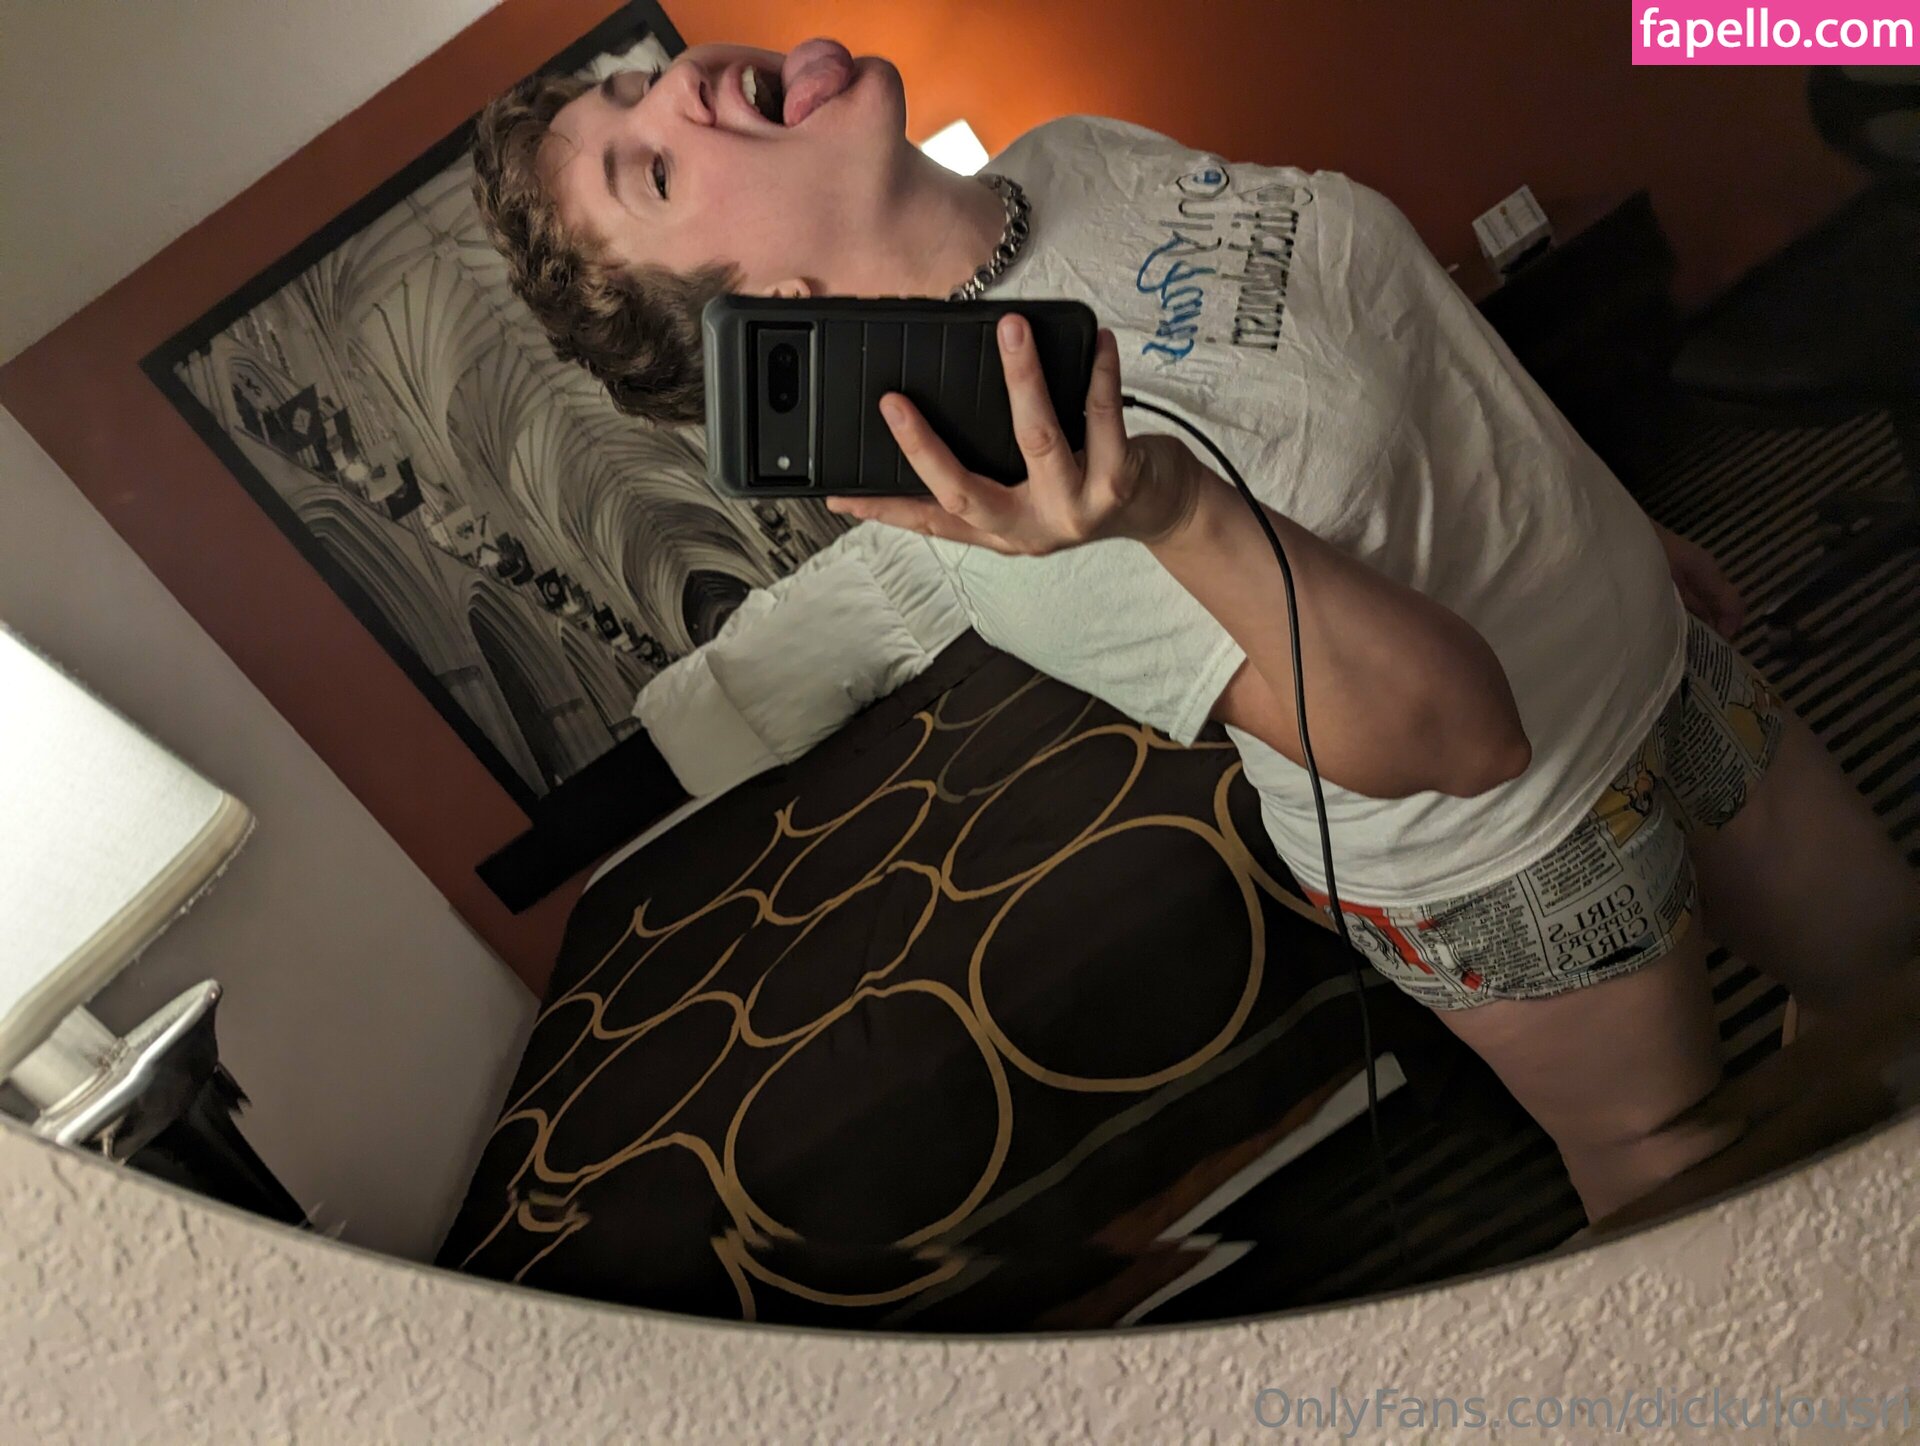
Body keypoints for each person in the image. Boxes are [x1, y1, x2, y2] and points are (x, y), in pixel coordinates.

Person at [471, 39, 1920, 1222]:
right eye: (652, 168)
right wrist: (1172, 509)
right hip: (1517, 852)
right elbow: (1461, 740)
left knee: (1894, 982)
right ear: (774, 312)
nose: (676, 85)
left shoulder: (1072, 153)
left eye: (633, 82)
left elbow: (1403, 337)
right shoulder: (1013, 512)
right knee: (1687, 1186)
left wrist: (1616, 527)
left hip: (1647, 655)